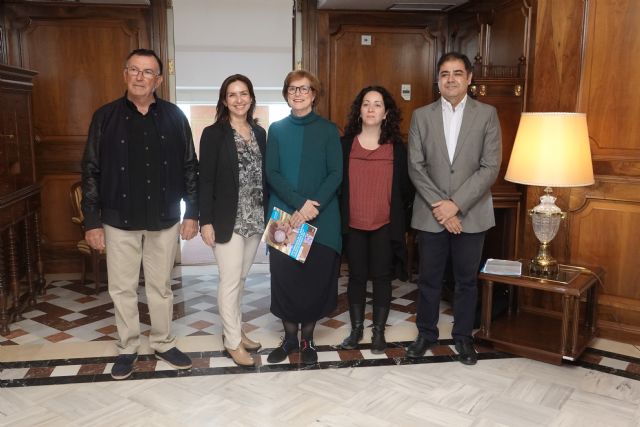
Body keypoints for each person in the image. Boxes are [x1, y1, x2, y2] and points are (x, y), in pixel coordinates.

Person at [81, 48, 198, 379]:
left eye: (148, 72)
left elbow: (191, 166)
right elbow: (90, 170)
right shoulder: (104, 117)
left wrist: (192, 213)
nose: (140, 76)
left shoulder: (175, 117)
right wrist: (92, 221)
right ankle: (128, 347)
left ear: (158, 79)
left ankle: (162, 341)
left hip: (164, 218)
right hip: (119, 220)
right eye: (134, 69)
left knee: (161, 287)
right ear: (125, 74)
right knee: (122, 288)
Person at [406, 52, 501, 365]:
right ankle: (426, 334)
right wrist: (442, 209)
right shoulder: (421, 115)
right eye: (444, 73)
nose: (450, 79)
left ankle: (463, 337)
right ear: (437, 80)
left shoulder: (487, 114)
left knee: (466, 281)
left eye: (457, 73)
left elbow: (490, 167)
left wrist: (456, 205)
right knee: (429, 279)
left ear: (469, 78)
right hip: (430, 214)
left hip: (471, 215)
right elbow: (416, 167)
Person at [266, 70, 342, 365]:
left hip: (321, 218)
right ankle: (288, 339)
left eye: (304, 89)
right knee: (285, 279)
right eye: (292, 89)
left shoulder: (328, 130)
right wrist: (300, 205)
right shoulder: (277, 129)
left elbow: (336, 173)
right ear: (286, 94)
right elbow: (272, 172)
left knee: (313, 280)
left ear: (314, 94)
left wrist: (314, 207)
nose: (297, 94)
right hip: (285, 216)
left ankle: (308, 340)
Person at [198, 74, 267, 367]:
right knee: (229, 281)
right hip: (228, 219)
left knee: (240, 279)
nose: (239, 99)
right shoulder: (214, 134)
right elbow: (206, 181)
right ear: (224, 100)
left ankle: (237, 330)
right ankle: (233, 342)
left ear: (251, 97)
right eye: (232, 95)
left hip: (256, 217)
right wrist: (205, 221)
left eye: (243, 93)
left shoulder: (259, 133)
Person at [339, 86, 413, 353]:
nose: (371, 109)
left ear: (386, 113)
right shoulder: (345, 144)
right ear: (359, 110)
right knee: (356, 277)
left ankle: (378, 333)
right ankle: (356, 330)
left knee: (382, 278)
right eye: (366, 104)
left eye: (377, 104)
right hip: (353, 224)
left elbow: (406, 188)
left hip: (384, 224)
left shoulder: (397, 148)